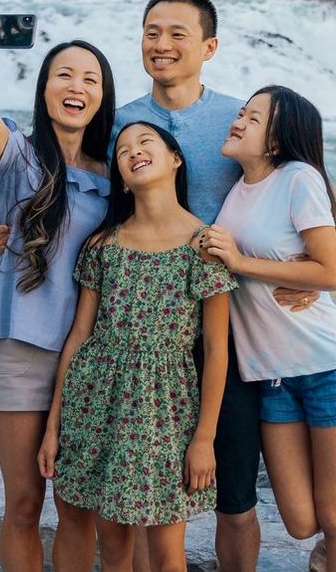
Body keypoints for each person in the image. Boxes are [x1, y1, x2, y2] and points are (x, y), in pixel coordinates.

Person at [0, 0, 316, 572]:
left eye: (177, 34)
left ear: (209, 46)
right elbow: (61, 183)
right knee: (121, 510)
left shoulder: (239, 119)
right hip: (127, 330)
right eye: (151, 32)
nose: (162, 45)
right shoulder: (116, 124)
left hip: (225, 325)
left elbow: (300, 186)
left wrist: (309, 268)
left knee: (233, 495)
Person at [0, 10, 113, 572]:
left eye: (90, 79)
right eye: (64, 75)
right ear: (45, 90)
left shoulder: (118, 174)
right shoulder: (19, 158)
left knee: (78, 508)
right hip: (21, 347)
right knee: (23, 504)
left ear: (102, 97)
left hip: (91, 357)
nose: (77, 87)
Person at [39, 121, 236, 572]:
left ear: (175, 160)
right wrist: (54, 427)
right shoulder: (103, 245)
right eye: (123, 150)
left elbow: (217, 351)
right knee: (113, 547)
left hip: (164, 414)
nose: (133, 151)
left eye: (145, 142)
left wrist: (204, 439)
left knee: (168, 553)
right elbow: (78, 339)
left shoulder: (203, 245)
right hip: (95, 407)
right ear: (122, 180)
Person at [201, 86, 336, 572]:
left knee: (332, 514)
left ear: (276, 141)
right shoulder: (236, 188)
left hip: (327, 367)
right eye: (241, 112)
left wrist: (242, 261)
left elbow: (329, 274)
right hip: (270, 376)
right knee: (299, 521)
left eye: (253, 118)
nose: (238, 121)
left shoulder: (298, 178)